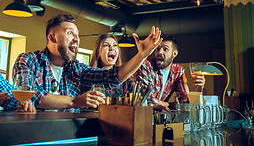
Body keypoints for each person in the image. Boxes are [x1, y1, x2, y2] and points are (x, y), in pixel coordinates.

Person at [12, 14, 162, 110]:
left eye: (77, 35)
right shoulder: (28, 60)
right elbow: (29, 94)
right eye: (70, 33)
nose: (77, 39)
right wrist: (75, 101)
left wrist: (142, 55)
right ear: (52, 38)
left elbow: (112, 76)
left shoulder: (77, 69)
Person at [135, 35, 206, 111]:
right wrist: (171, 104)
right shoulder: (146, 65)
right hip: (139, 114)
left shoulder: (178, 71)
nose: (160, 52)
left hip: (158, 117)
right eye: (157, 49)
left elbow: (185, 102)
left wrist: (199, 88)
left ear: (174, 54)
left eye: (165, 49)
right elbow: (145, 99)